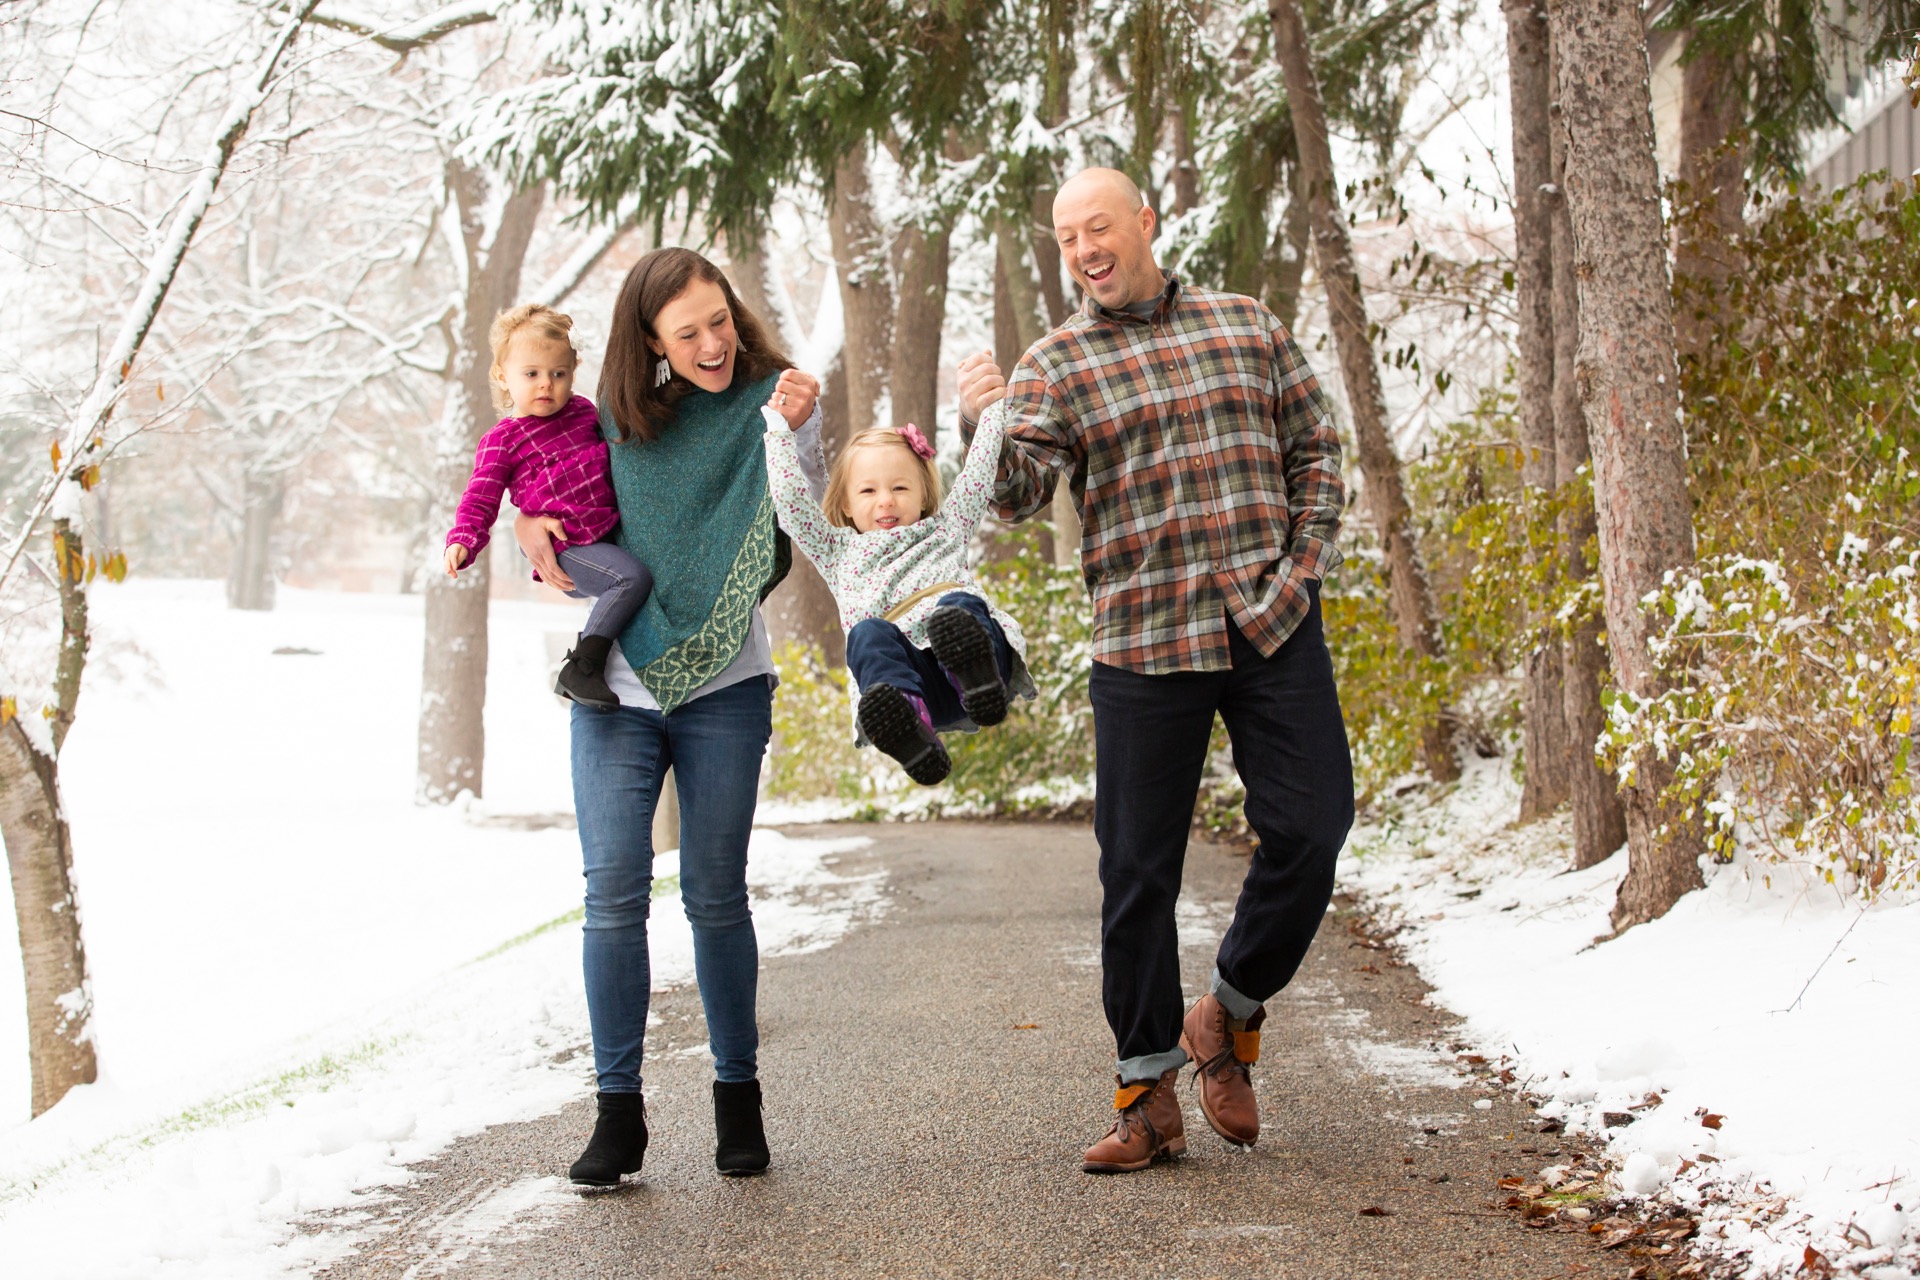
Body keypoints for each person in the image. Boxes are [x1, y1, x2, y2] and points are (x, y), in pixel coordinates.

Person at [956, 168, 1356, 1174]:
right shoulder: (1055, 363)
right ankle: (1146, 1099)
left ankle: (1227, 1010)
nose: (1084, 249)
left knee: (1314, 826)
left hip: (1270, 620)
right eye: (1065, 237)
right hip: (1143, 640)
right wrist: (986, 421)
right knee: (1137, 875)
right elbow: (1012, 498)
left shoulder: (1245, 323)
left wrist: (1301, 569)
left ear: (1143, 222)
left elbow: (1316, 448)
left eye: (1098, 227)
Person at [514, 248, 828, 1187]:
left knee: (714, 893)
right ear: (650, 341)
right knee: (613, 894)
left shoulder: (775, 401)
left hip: (728, 689)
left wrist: (803, 431)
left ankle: (739, 1098)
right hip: (615, 688)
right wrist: (525, 523)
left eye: (718, 320)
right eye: (685, 332)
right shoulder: (608, 420)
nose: (711, 343)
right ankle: (618, 1117)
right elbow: (538, 482)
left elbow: (801, 510)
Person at [763, 401, 1033, 785]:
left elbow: (979, 471)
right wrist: (779, 433)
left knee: (957, 605)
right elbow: (791, 506)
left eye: (900, 487)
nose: (886, 499)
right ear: (846, 503)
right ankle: (908, 724)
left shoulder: (948, 527)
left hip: (980, 661)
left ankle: (976, 676)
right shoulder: (837, 551)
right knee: (867, 634)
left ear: (923, 494)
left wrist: (990, 408)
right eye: (868, 490)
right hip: (917, 680)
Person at [444, 304, 652, 710]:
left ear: (573, 372)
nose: (546, 385)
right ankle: (582, 668)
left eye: (558, 374)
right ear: (502, 375)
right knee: (629, 579)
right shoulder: (504, 440)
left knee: (631, 574)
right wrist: (463, 540)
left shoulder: (584, 413)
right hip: (566, 547)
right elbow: (480, 496)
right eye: (531, 374)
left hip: (605, 534)